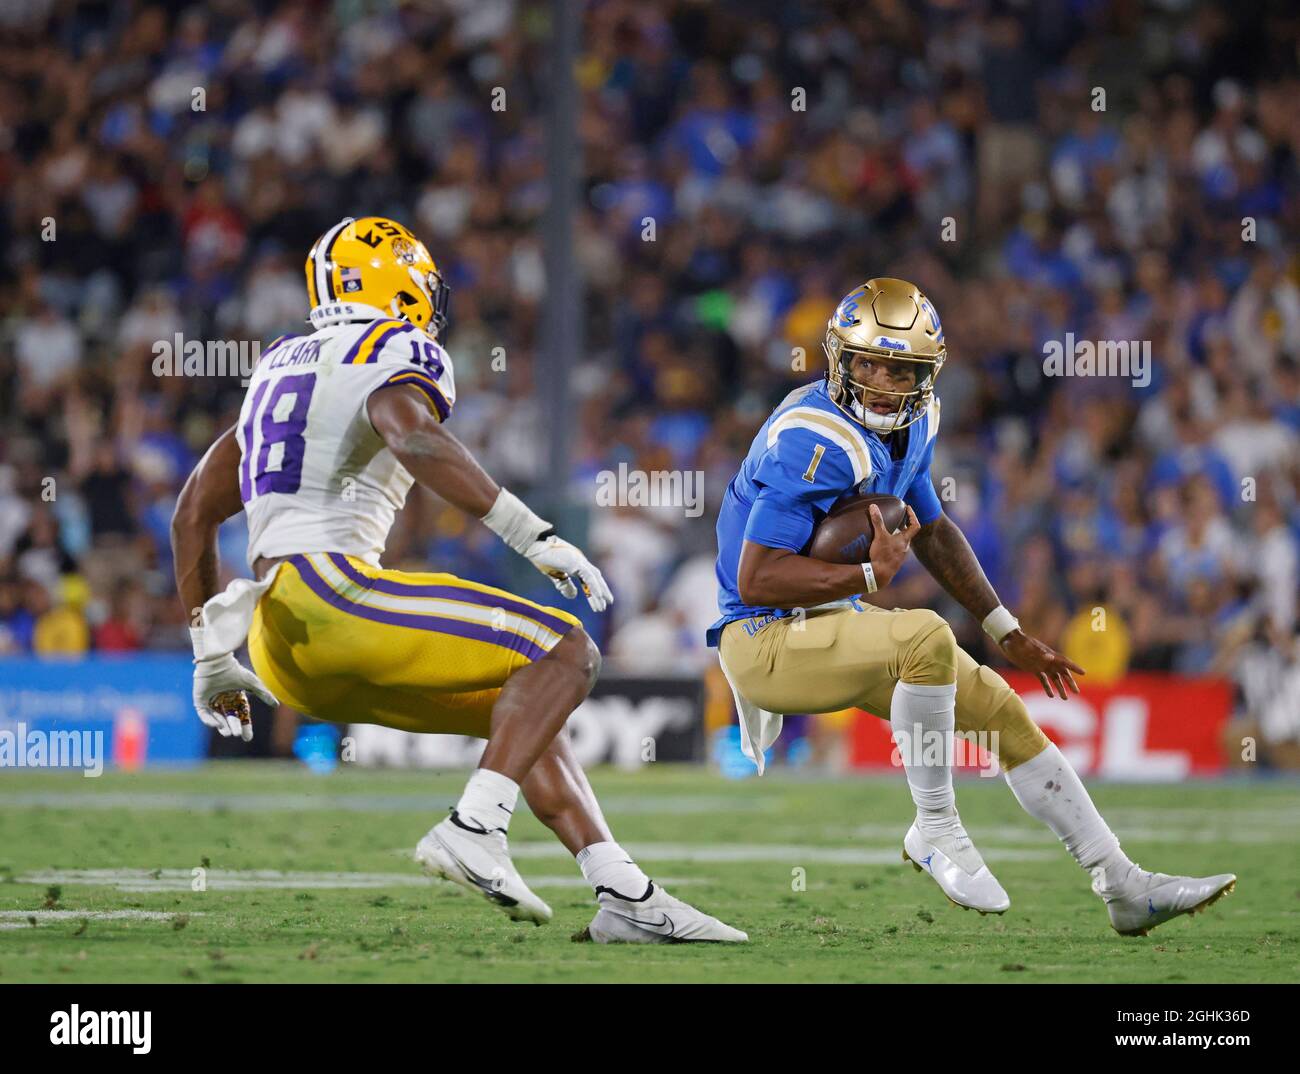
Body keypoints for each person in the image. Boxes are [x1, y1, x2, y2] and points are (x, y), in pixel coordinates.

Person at [172, 216, 745, 944]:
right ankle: (473, 827)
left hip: (279, 645)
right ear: (394, 281)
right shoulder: (390, 347)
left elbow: (191, 514)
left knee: (518, 710)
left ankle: (622, 892)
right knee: (567, 651)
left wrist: (211, 655)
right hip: (336, 596)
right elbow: (409, 432)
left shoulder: (279, 367)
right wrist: (529, 533)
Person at [708, 277, 1235, 935]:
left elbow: (931, 528)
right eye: (867, 361)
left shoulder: (916, 424)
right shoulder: (812, 437)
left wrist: (1005, 629)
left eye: (899, 369)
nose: (879, 379)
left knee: (1000, 711)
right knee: (923, 635)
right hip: (760, 637)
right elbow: (756, 579)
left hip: (825, 623)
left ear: (926, 375)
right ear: (840, 358)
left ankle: (1123, 885)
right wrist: (869, 574)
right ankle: (934, 828)